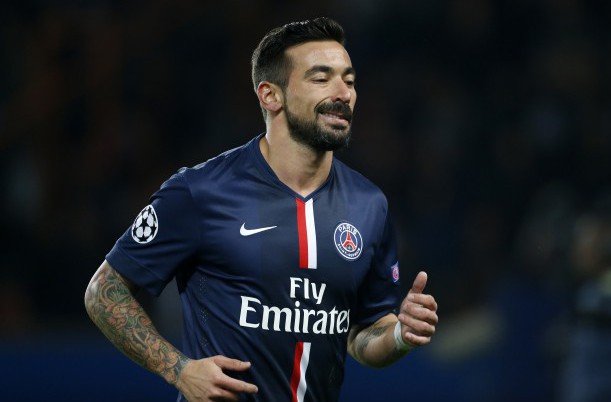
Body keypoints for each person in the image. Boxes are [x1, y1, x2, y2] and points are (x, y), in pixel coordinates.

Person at [85, 17, 438, 402]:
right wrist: (178, 369)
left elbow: (362, 335)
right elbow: (104, 290)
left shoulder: (370, 205)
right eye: (322, 78)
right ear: (270, 96)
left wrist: (399, 334)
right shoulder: (201, 191)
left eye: (349, 81)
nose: (343, 93)